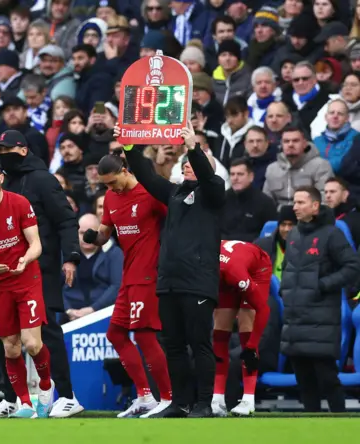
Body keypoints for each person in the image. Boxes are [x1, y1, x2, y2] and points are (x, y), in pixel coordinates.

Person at [115, 122, 226, 418]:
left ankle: (204, 403)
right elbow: (147, 176)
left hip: (198, 282)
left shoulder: (214, 193)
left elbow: (207, 175)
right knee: (173, 346)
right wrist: (129, 145)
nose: (189, 166)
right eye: (186, 163)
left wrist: (194, 147)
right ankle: (180, 402)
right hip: (169, 282)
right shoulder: (175, 194)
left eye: (195, 163)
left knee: (200, 344)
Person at [0, 129, 83, 418]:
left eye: (7, 150)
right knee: (2, 335)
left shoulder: (43, 179)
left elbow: (66, 220)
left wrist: (72, 259)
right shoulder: (4, 183)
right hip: (6, 271)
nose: (3, 156)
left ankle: (67, 396)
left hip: (40, 267)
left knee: (47, 331)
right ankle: (11, 399)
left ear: (23, 150)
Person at [82, 152, 172, 418]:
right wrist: (93, 237)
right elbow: (104, 234)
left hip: (148, 275)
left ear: (125, 170)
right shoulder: (111, 197)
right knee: (116, 335)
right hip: (128, 276)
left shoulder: (150, 192)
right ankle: (144, 396)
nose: (110, 189)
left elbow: (176, 219)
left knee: (144, 336)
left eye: (113, 182)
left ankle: (167, 398)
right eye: (106, 185)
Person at [0, 158, 53, 418]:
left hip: (27, 280)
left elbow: (36, 243)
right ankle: (25, 404)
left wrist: (26, 258)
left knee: (32, 343)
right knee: (10, 347)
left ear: (1, 177)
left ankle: (47, 386)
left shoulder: (19, 203)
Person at [281, 186, 360, 413]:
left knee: (327, 378)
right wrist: (285, 291)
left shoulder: (332, 234)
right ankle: (311, 425)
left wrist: (322, 285)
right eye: (294, 202)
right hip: (294, 319)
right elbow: (289, 269)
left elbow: (352, 266)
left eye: (300, 203)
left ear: (315, 206)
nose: (294, 207)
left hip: (321, 319)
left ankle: (340, 424)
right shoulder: (294, 234)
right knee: (304, 380)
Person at [211, 240, 272, 417]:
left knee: (247, 322)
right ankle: (217, 399)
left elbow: (263, 309)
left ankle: (248, 399)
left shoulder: (234, 273)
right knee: (219, 329)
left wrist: (252, 345)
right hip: (226, 270)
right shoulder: (199, 268)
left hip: (255, 269)